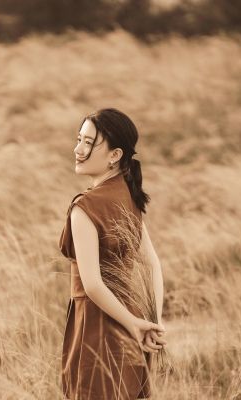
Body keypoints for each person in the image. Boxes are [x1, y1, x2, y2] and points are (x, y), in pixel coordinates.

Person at [58, 108, 167, 399]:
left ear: (114, 155)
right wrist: (152, 321)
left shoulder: (85, 207)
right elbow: (153, 264)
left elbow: (92, 285)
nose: (78, 149)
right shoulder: (127, 195)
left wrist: (136, 325)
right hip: (131, 318)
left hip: (96, 324)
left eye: (88, 143)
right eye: (78, 139)